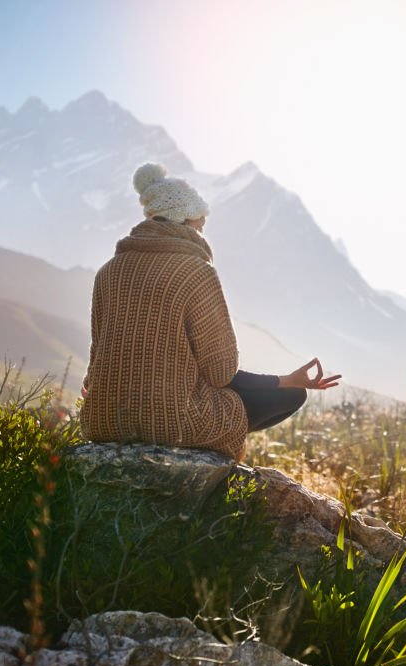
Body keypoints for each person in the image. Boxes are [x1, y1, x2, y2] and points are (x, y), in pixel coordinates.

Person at [79, 162, 340, 461]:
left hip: (101, 421)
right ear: (184, 220)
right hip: (172, 423)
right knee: (292, 397)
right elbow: (220, 372)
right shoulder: (196, 272)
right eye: (200, 223)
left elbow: (96, 360)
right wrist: (285, 382)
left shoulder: (107, 273)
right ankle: (217, 479)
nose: (203, 231)